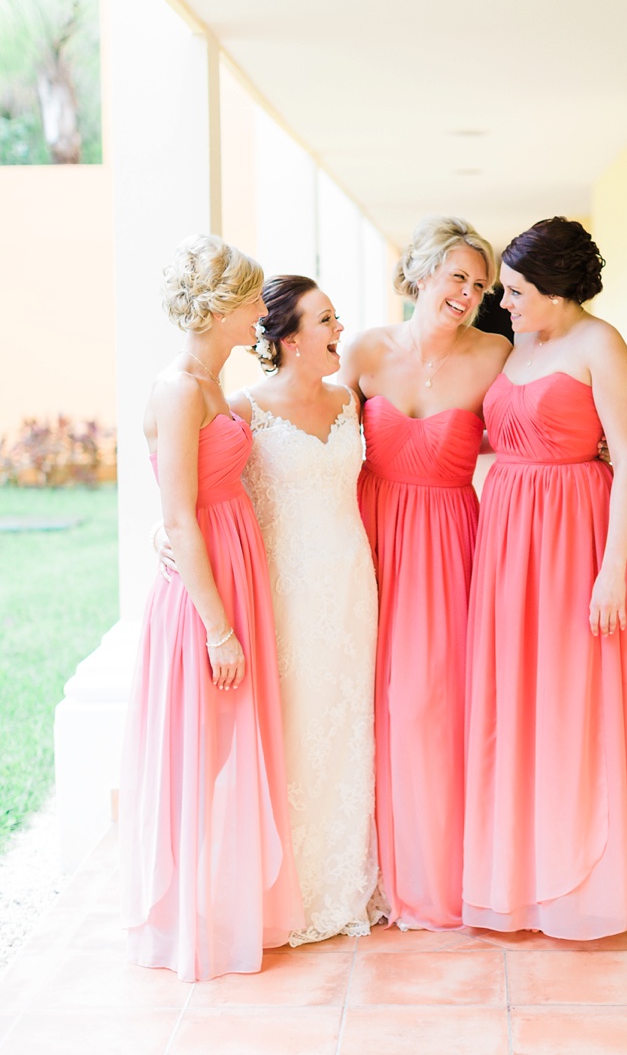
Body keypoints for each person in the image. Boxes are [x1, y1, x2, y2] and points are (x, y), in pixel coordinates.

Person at [462, 217, 627, 940]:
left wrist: (610, 568)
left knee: (573, 705)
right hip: (508, 534)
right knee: (515, 702)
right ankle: (517, 875)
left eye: (513, 291)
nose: (502, 302)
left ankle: (579, 881)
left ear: (555, 289)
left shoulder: (601, 345)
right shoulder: (519, 343)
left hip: (576, 538)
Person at [120, 235, 303, 982]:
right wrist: (218, 628)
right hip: (206, 591)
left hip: (234, 562)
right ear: (222, 307)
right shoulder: (177, 387)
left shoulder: (212, 381)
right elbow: (180, 515)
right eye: (254, 299)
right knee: (200, 748)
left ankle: (223, 907)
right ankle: (187, 924)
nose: (262, 310)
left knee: (230, 744)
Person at [339, 216, 512, 930]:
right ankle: (365, 867)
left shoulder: (497, 353)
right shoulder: (362, 350)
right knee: (362, 700)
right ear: (418, 274)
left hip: (448, 545)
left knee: (429, 706)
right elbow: (304, 425)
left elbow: (530, 426)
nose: (468, 293)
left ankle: (438, 875)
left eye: (479, 284)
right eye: (457, 277)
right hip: (366, 536)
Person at [229, 275, 383, 944]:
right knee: (292, 730)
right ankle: (284, 891)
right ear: (289, 338)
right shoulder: (242, 409)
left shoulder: (349, 399)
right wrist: (160, 533)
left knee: (349, 727)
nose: (339, 330)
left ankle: (343, 883)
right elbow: (202, 485)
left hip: (352, 586)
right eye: (326, 320)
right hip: (286, 595)